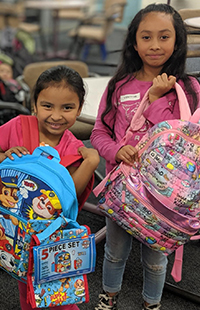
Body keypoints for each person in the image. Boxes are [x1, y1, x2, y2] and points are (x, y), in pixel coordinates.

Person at [90, 3, 200, 310]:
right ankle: (108, 296)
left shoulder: (189, 90)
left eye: (164, 37)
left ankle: (152, 303)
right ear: (134, 43)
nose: (154, 45)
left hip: (163, 198)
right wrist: (114, 151)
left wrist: (154, 98)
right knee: (114, 251)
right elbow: (99, 132)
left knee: (155, 259)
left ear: (177, 41)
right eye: (146, 37)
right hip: (122, 189)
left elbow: (186, 141)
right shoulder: (119, 86)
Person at [0, 65, 100, 310]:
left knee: (57, 292)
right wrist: (4, 155)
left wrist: (91, 163)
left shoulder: (74, 148)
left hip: (50, 239)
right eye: (47, 106)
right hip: (12, 230)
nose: (56, 116)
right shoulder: (17, 126)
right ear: (35, 105)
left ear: (79, 108)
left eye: (67, 108)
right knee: (26, 287)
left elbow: (69, 197)